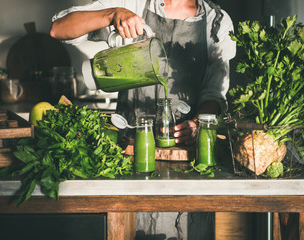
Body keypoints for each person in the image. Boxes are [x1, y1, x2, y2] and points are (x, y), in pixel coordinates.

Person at [51, 0, 236, 239]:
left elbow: (215, 92)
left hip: (189, 161)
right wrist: (112, 14)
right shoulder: (133, 4)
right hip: (130, 156)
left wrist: (199, 123)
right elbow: (59, 28)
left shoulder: (217, 21)